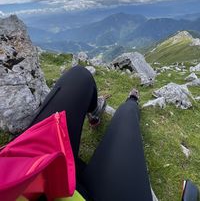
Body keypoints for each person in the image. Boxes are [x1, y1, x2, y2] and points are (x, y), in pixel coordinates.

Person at [29, 65, 153, 201]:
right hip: (37, 176)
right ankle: (131, 101)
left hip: (26, 169)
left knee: (79, 75)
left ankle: (95, 112)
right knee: (127, 115)